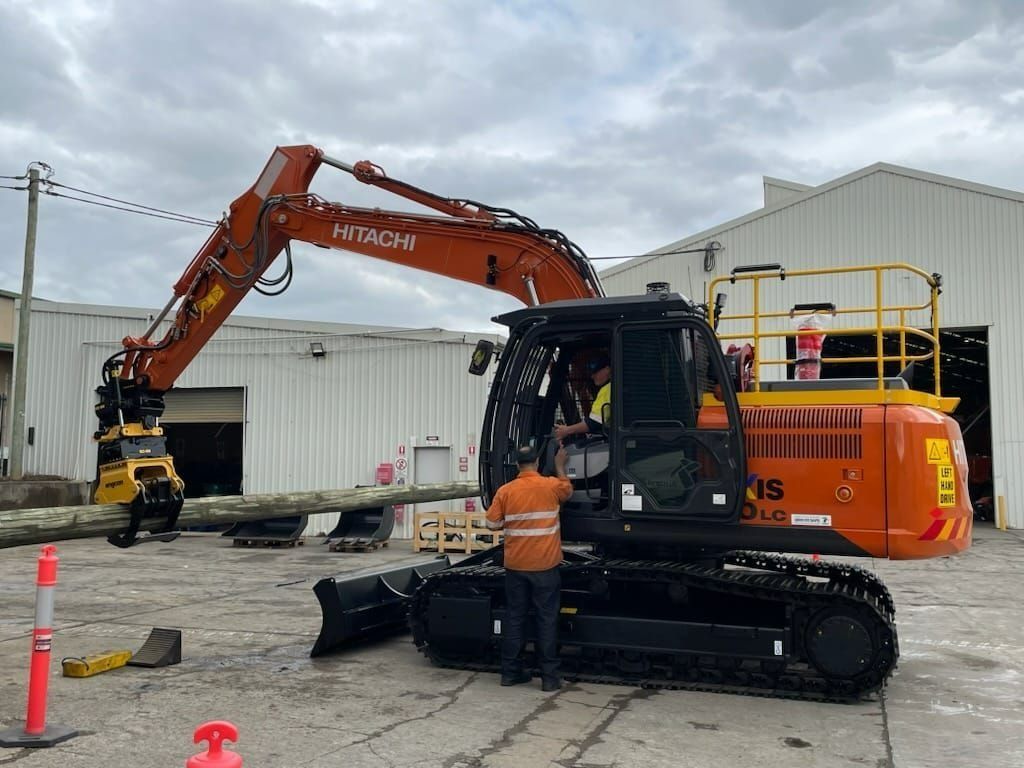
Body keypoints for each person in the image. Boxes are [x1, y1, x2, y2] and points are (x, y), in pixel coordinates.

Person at [485, 444, 572, 692]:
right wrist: (559, 467)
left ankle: (510, 674)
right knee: (546, 619)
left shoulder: (506, 491)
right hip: (545, 566)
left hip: (516, 567)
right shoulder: (551, 486)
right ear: (536, 462)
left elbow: (492, 524)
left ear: (516, 465)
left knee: (515, 619)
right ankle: (550, 679)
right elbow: (567, 491)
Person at [554, 355, 611, 442]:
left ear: (607, 369)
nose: (592, 376)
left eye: (595, 372)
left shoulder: (608, 390)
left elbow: (594, 423)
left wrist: (566, 430)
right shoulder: (615, 387)